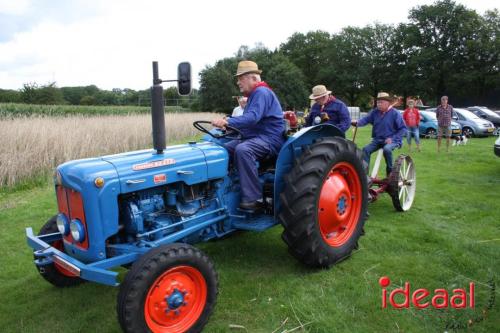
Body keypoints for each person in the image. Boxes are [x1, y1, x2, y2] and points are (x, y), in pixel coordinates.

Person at [212, 61, 285, 210]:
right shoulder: (254, 95)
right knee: (223, 149)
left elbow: (252, 118)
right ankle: (226, 189)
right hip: (256, 137)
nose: (238, 82)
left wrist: (227, 121)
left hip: (270, 139)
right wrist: (229, 129)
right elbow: (250, 124)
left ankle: (255, 198)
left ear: (252, 78)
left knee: (244, 150)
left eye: (240, 78)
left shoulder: (262, 92)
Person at [352, 92, 407, 177]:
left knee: (387, 149)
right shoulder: (375, 112)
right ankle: (364, 175)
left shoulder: (395, 113)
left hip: (392, 140)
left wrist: (393, 139)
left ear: (387, 103)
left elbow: (403, 129)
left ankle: (390, 173)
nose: (378, 104)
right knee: (365, 150)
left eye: (381, 102)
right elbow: (366, 119)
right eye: (378, 102)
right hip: (378, 140)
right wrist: (357, 123)